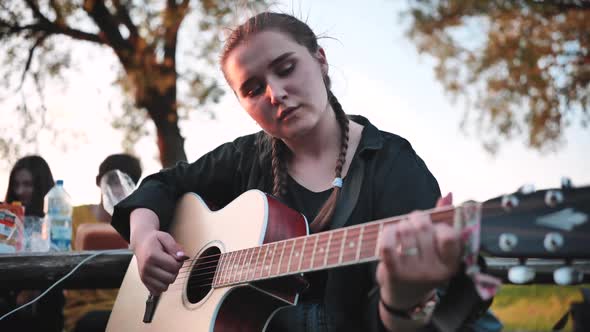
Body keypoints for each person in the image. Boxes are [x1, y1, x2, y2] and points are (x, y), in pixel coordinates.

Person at [111, 12, 501, 331]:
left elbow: (427, 319)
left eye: (286, 68)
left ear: (320, 59)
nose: (275, 93)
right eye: (252, 88)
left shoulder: (392, 165)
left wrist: (402, 301)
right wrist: (144, 237)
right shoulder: (246, 157)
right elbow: (163, 184)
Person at [64, 153, 142, 332]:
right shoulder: (73, 217)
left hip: (129, 308)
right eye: (114, 182)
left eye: (128, 182)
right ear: (99, 181)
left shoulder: (138, 224)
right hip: (85, 310)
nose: (120, 189)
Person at [1, 155, 64, 332]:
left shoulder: (55, 222)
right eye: (16, 185)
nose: (20, 191)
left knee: (49, 300)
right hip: (8, 295)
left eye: (27, 184)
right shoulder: (5, 220)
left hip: (45, 295)